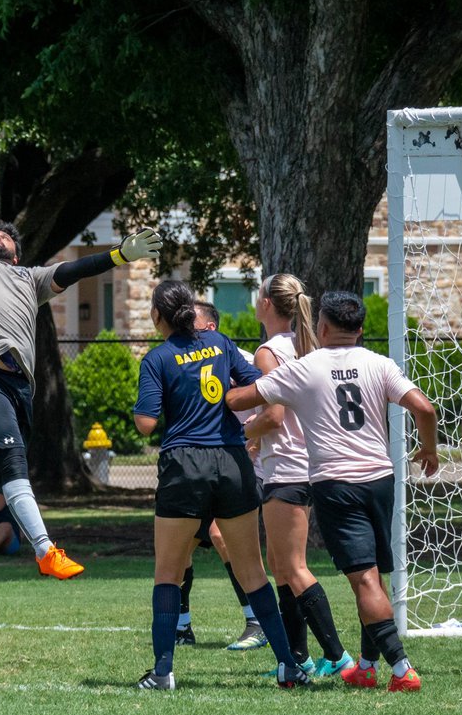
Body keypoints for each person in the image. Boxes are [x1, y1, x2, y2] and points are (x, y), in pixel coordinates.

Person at [0, 124, 162, 616]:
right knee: (15, 464)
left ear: (16, 253)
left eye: (2, 237)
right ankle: (44, 549)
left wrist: (120, 255)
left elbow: (73, 271)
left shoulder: (30, 280)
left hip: (17, 390)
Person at [227, 291, 439, 693]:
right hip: (380, 480)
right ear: (360, 329)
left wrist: (214, 385)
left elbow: (244, 398)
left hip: (336, 483)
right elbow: (425, 409)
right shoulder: (379, 363)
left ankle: (401, 668)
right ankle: (365, 666)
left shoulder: (306, 368)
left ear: (322, 327)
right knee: (373, 577)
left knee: (363, 581)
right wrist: (427, 448)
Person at [132, 279, 312, 690]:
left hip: (184, 463)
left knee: (168, 573)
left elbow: (146, 423)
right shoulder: (223, 344)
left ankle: (162, 673)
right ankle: (288, 665)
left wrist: (151, 408)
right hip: (232, 461)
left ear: (158, 316)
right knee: (253, 570)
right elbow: (261, 384)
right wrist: (230, 401)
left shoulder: (157, 358)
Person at [244, 274, 352, 678]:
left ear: (268, 304)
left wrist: (245, 433)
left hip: (286, 469)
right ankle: (298, 658)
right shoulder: (307, 345)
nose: (256, 301)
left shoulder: (268, 352)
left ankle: (338, 656)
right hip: (305, 465)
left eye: (258, 294)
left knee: (292, 567)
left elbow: (273, 415)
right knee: (281, 565)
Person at [175, 301, 267, 652]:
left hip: (240, 468)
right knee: (180, 541)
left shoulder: (240, 357)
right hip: (200, 466)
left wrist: (252, 437)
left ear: (211, 329)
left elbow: (270, 404)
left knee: (220, 534)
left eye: (193, 325)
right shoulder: (184, 358)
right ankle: (182, 627)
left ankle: (256, 621)